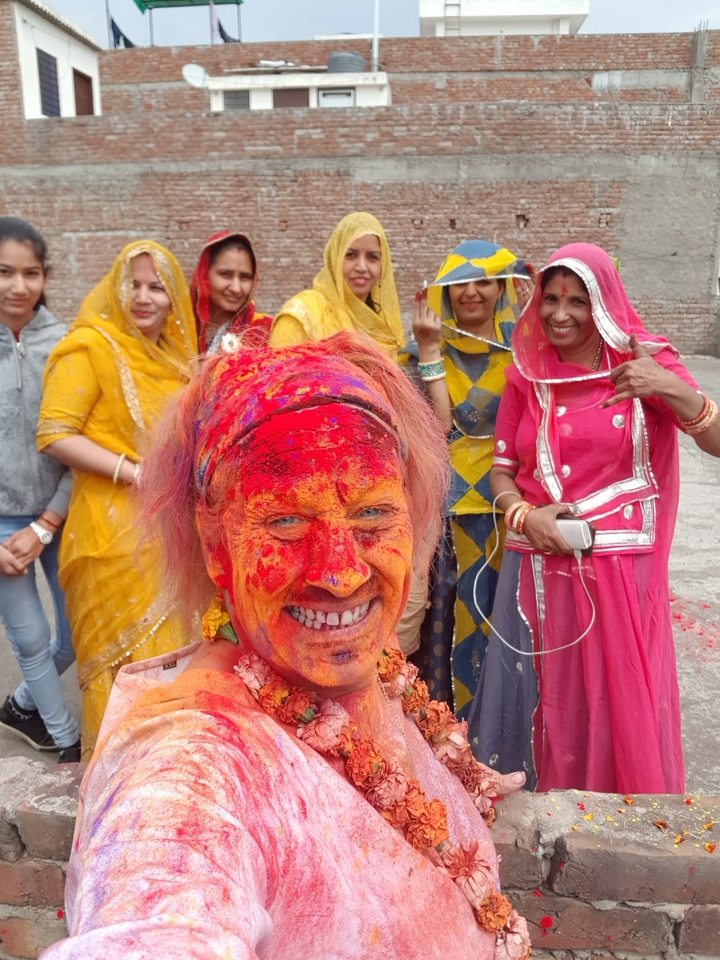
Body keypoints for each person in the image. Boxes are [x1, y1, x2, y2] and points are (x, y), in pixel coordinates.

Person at [40, 334, 530, 960]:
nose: (342, 573)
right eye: (286, 522)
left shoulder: (372, 675)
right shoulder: (191, 766)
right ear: (215, 542)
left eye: (373, 516)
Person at [469, 242, 720, 794]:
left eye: (578, 301)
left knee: (614, 698)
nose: (561, 314)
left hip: (617, 572)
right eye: (552, 299)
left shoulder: (641, 362)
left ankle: (613, 823)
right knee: (544, 695)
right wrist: (521, 516)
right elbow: (503, 473)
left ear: (602, 303)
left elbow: (716, 439)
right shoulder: (525, 374)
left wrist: (669, 386)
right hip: (535, 561)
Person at [37, 241, 198, 760]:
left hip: (166, 535)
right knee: (116, 667)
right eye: (135, 284)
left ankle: (163, 793)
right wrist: (135, 472)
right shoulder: (91, 347)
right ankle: (113, 796)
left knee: (174, 663)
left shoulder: (175, 363)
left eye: (158, 287)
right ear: (116, 287)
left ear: (175, 301)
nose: (144, 296)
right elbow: (55, 433)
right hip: (108, 538)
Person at [406, 241, 533, 720]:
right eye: (461, 283)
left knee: (502, 627)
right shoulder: (418, 348)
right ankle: (447, 744)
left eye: (485, 281)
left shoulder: (524, 352)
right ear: (445, 292)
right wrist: (431, 352)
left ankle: (501, 738)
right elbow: (435, 429)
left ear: (500, 287)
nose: (473, 292)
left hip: (508, 513)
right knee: (444, 628)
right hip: (448, 517)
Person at [0, 218, 80, 763]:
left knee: (75, 638)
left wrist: (46, 523)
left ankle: (23, 705)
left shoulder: (67, 346)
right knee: (29, 641)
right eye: (4, 272)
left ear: (45, 275)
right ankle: (68, 742)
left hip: (59, 516)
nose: (17, 286)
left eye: (30, 273)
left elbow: (82, 444)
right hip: (2, 528)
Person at [269, 211, 405, 359]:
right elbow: (278, 376)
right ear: (335, 260)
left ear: (382, 266)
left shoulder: (383, 330)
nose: (361, 267)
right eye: (350, 255)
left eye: (372, 257)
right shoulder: (304, 315)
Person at [190, 231, 272, 354]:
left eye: (245, 277)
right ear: (204, 275)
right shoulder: (175, 326)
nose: (236, 288)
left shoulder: (263, 331)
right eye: (226, 274)